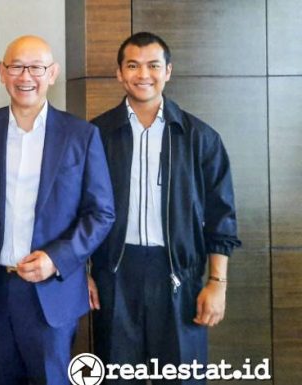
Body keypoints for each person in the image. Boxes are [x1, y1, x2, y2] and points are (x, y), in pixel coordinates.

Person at [0, 35, 115, 385]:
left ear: (52, 73)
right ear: (2, 72)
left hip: (51, 293)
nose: (26, 76)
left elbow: (101, 214)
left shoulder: (80, 135)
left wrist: (56, 258)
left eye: (37, 68)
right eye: (16, 67)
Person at [88, 32, 242, 384]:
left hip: (179, 275)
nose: (144, 74)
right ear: (119, 74)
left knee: (181, 377)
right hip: (114, 273)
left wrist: (217, 283)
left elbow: (222, 218)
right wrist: (82, 271)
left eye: (153, 65)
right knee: (116, 376)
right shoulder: (96, 135)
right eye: (133, 65)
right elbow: (80, 210)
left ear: (168, 71)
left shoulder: (199, 137)